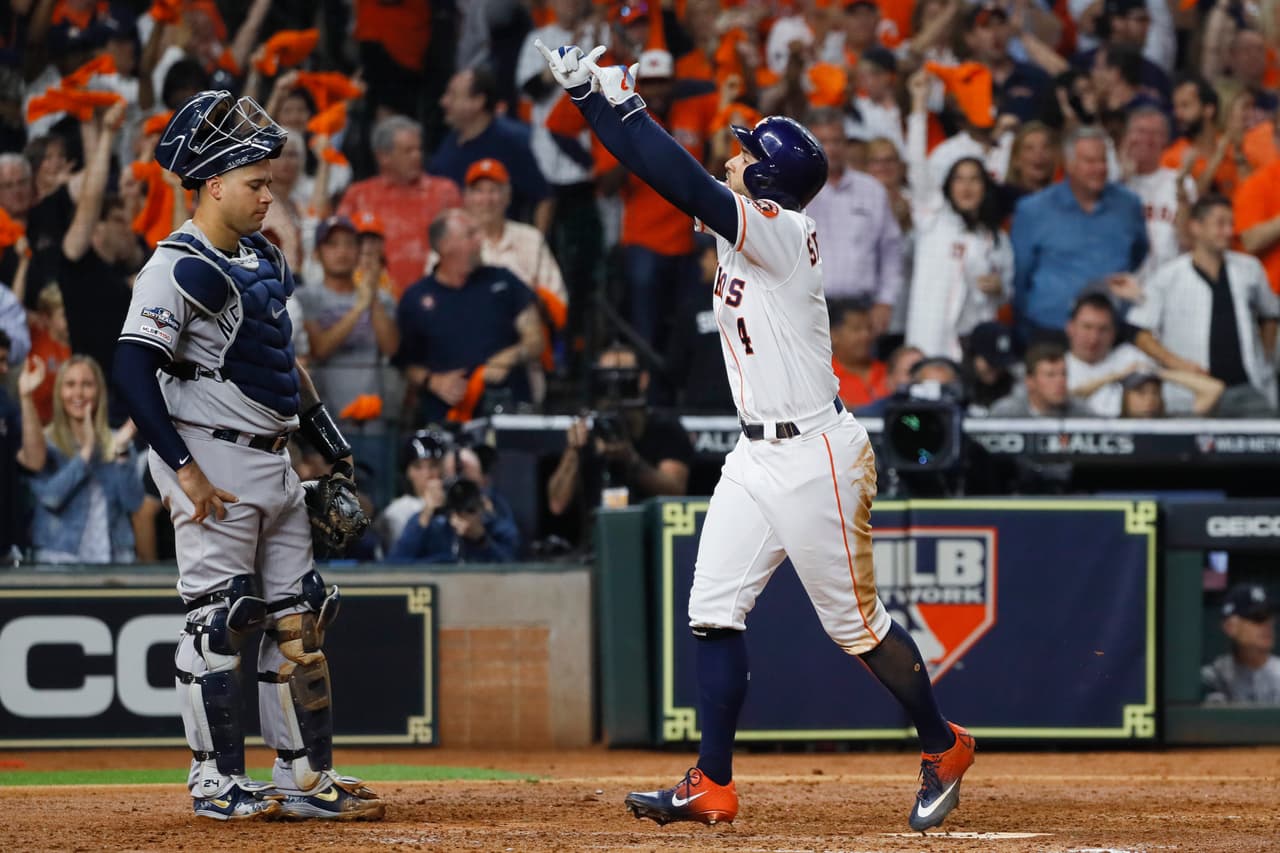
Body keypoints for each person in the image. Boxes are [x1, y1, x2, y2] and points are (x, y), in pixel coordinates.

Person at [535, 40, 975, 832]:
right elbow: (655, 170)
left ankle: (943, 744)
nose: (731, 161)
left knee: (858, 629)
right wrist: (590, 101)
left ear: (768, 180)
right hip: (755, 454)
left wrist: (621, 102)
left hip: (816, 455)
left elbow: (677, 176)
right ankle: (712, 781)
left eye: (744, 156)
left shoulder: (780, 229)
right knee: (712, 608)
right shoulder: (751, 223)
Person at [111, 90, 384, 821]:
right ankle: (214, 779)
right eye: (256, 183)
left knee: (301, 620)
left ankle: (303, 775)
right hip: (209, 457)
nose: (269, 193)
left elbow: (281, 364)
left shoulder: (264, 257)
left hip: (274, 458)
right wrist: (183, 469)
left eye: (269, 181)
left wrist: (328, 441)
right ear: (211, 185)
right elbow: (132, 370)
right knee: (221, 620)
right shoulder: (174, 267)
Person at [1130, 195, 1279, 417]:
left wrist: (1265, 357)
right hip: (1191, 394)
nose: (1228, 232)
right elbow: (1138, 331)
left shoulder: (1250, 269)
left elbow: (1270, 313)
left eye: (1230, 224)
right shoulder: (1168, 276)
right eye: (1220, 224)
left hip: (1248, 388)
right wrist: (1178, 364)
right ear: (1196, 227)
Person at [394, 208, 545, 424]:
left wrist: (510, 357)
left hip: (507, 411)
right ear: (445, 246)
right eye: (470, 234)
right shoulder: (416, 298)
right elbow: (404, 363)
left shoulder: (503, 281)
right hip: (447, 418)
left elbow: (536, 339)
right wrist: (433, 381)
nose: (480, 239)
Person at [1011, 126, 1149, 342]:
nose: (1100, 168)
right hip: (1050, 332)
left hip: (1110, 332)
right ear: (1070, 165)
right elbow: (1020, 278)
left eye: (1103, 161)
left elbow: (1139, 252)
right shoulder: (1033, 210)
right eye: (1090, 162)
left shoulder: (1128, 205)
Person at [546, 343, 693, 525]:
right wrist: (573, 451)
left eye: (623, 378)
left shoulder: (665, 428)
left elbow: (675, 492)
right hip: (598, 538)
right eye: (606, 379)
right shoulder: (589, 427)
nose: (614, 389)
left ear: (642, 380)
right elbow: (557, 504)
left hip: (650, 535)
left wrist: (631, 460)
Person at [18, 355, 142, 564]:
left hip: (115, 561)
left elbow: (133, 503)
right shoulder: (45, 442)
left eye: (87, 384)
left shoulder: (118, 440)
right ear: (59, 393)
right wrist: (85, 453)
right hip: (58, 559)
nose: (78, 393)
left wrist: (120, 449)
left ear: (99, 392)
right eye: (70, 384)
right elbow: (49, 498)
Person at [337, 115, 462, 297]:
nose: (417, 156)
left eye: (419, 149)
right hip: (374, 300)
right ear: (383, 156)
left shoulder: (445, 192)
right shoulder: (358, 195)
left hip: (438, 297)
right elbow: (339, 248)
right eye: (408, 151)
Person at [806, 108, 903, 334]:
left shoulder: (871, 189)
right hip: (809, 306)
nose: (831, 148)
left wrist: (885, 301)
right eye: (823, 141)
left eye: (837, 141)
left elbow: (890, 250)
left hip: (862, 308)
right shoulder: (796, 190)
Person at [905, 156, 1012, 361]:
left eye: (974, 179)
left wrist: (999, 288)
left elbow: (1006, 292)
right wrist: (917, 122)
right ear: (949, 186)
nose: (967, 187)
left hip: (974, 342)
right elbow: (917, 170)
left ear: (985, 187)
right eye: (959, 179)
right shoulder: (931, 221)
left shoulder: (997, 239)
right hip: (932, 339)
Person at [297, 215, 399, 422]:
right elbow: (320, 349)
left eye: (349, 244)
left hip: (374, 415)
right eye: (332, 244)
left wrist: (373, 299)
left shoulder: (382, 299)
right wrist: (359, 307)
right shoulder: (305, 297)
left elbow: (391, 348)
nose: (342, 251)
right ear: (317, 254)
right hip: (323, 417)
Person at [430, 66, 552, 229]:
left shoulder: (514, 140)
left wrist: (534, 247)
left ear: (478, 101)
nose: (443, 102)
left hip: (505, 243)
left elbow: (545, 197)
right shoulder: (447, 142)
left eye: (452, 95)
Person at [388, 474, 520, 563]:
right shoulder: (432, 525)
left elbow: (517, 570)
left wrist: (481, 539)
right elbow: (395, 565)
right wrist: (425, 516)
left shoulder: (495, 524)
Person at [1065, 293, 1155, 416]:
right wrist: (1116, 376)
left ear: (1114, 332)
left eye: (1103, 329)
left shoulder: (1129, 357)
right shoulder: (1057, 367)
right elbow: (1066, 402)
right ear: (1070, 328)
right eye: (1087, 327)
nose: (1094, 338)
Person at [1202, 583, 1280, 704]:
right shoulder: (1213, 677)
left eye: (1270, 617)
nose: (1267, 625)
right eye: (1257, 618)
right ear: (1230, 626)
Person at [990, 342, 1095, 417]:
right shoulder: (1006, 414)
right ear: (1030, 381)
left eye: (1063, 374)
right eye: (1050, 375)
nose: (1060, 381)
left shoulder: (1081, 414)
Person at [829, 298, 893, 409]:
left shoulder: (888, 373)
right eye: (857, 329)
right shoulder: (824, 377)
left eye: (869, 328)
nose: (866, 335)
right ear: (834, 334)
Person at [1116, 367, 1223, 417]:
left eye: (1155, 392)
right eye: (1141, 393)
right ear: (1126, 397)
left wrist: (1157, 372)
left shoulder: (1172, 422)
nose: (1149, 399)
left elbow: (1214, 389)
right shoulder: (1111, 424)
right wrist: (1117, 375)